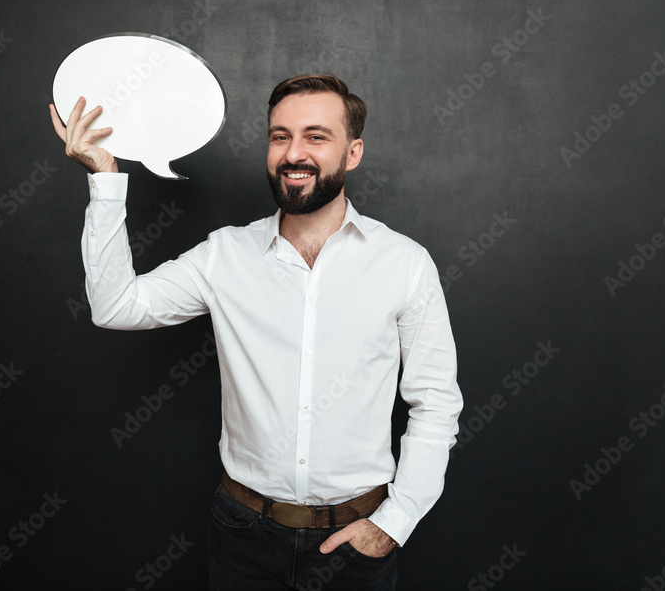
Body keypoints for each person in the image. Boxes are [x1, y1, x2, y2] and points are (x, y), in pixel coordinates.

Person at [50, 73, 463, 590]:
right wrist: (105, 180)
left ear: (352, 153)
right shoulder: (224, 255)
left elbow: (436, 401)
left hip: (357, 540)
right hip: (243, 536)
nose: (294, 153)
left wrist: (394, 523)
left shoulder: (404, 263)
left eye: (316, 136)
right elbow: (116, 306)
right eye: (279, 136)